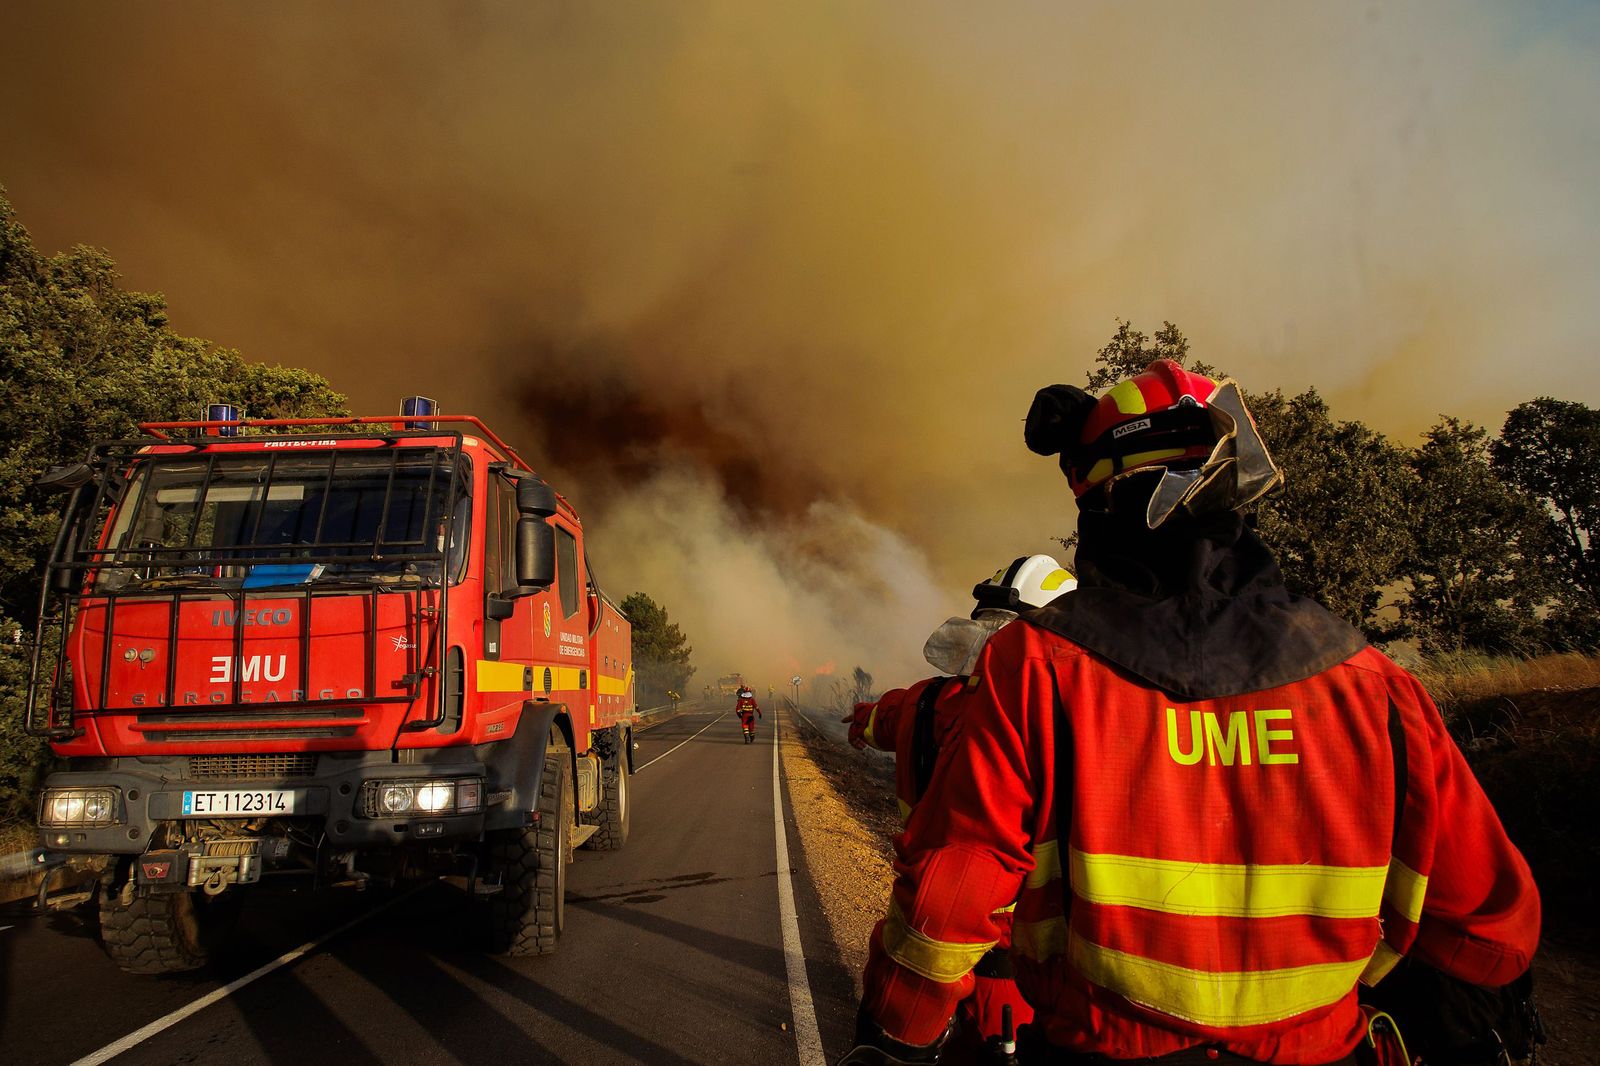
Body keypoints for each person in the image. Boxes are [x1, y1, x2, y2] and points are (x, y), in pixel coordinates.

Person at [840, 360, 1541, 1065]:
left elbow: (954, 892)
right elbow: (1491, 928)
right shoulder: (1372, 684)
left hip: (1097, 1047)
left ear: (1102, 499)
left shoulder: (1039, 668)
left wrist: (898, 1032)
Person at [846, 554, 1076, 1064]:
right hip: (1013, 967)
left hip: (918, 947)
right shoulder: (1060, 725)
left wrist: (858, 721)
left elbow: (875, 719)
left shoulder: (921, 703)